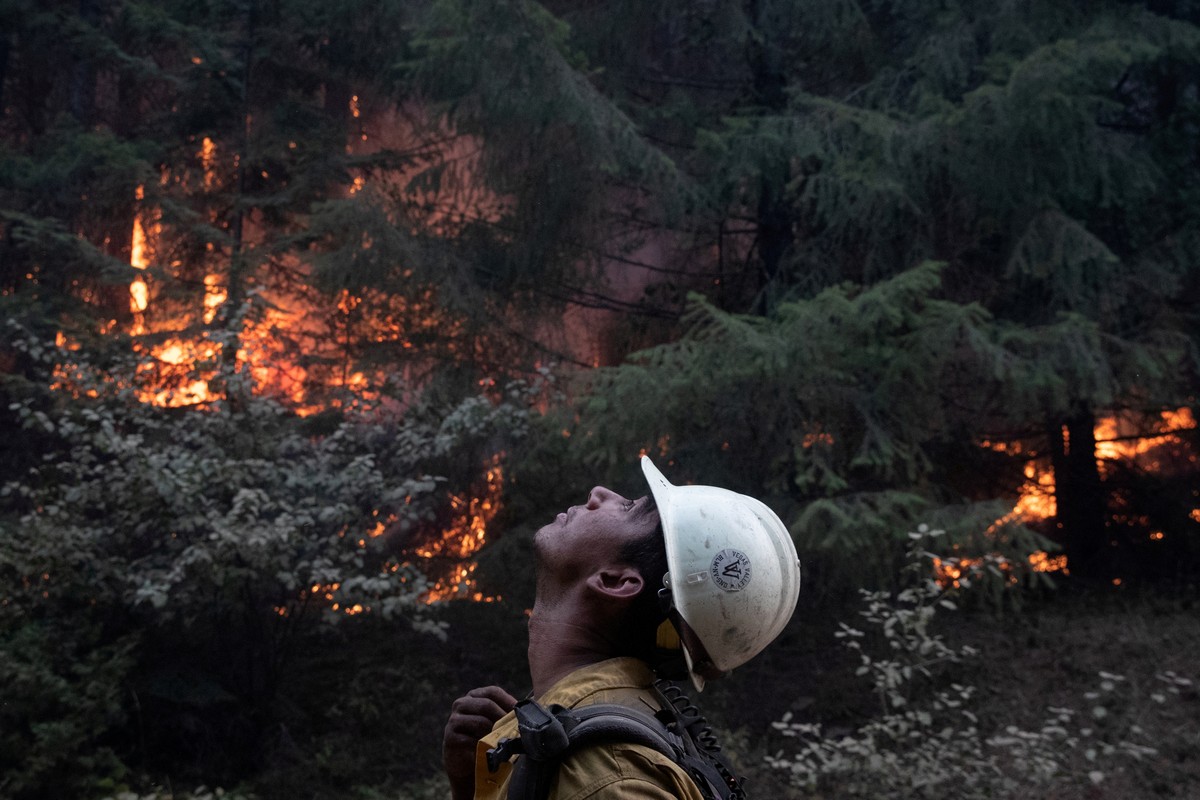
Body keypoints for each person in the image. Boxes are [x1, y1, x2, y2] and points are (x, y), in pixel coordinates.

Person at [442, 456, 801, 800]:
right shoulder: (580, 742)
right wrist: (469, 788)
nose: (599, 494)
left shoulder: (606, 776)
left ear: (615, 581)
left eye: (630, 509)